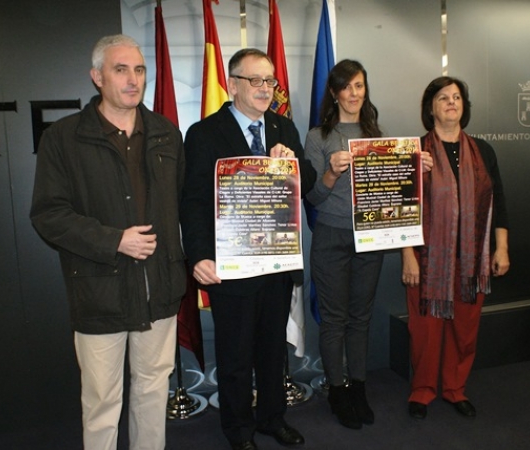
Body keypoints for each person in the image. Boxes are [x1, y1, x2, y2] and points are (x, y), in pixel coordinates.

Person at [30, 34, 186, 450]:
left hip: (160, 288)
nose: (133, 80)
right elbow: (48, 214)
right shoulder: (63, 138)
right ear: (97, 77)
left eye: (139, 70)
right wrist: (114, 240)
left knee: (153, 390)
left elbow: (183, 204)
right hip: (100, 290)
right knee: (102, 401)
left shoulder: (166, 134)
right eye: (121, 70)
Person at [181, 48, 315, 450]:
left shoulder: (283, 127)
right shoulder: (205, 133)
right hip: (231, 265)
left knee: (273, 352)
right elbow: (193, 201)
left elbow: (307, 182)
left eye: (270, 81)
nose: (264, 88)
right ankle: (239, 430)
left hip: (276, 262)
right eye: (255, 80)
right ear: (233, 84)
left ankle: (273, 419)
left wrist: (291, 164)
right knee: (236, 356)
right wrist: (199, 255)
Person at [304, 59, 433, 430]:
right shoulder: (317, 137)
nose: (353, 93)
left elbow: (394, 191)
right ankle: (337, 390)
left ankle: (357, 388)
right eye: (346, 86)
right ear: (334, 92)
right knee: (334, 320)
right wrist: (331, 172)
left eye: (359, 85)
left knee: (360, 318)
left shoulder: (377, 135)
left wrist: (416, 169)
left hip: (371, 237)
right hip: (331, 236)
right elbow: (312, 198)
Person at [402, 76, 510, 420]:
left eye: (457, 97)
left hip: (471, 260)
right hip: (428, 260)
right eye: (443, 98)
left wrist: (501, 247)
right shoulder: (415, 151)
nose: (451, 102)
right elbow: (402, 209)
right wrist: (408, 256)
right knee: (425, 332)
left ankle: (454, 388)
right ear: (430, 108)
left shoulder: (483, 151)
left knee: (464, 330)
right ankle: (422, 391)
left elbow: (499, 201)